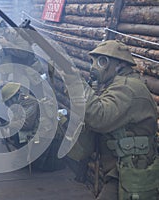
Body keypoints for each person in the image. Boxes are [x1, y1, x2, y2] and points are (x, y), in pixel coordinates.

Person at [65, 40, 159, 199]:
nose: (95, 67)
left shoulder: (127, 87)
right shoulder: (115, 84)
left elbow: (99, 117)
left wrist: (75, 84)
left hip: (132, 173)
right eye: (93, 61)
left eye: (102, 62)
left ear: (120, 65)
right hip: (122, 170)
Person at [0, 82, 65, 171]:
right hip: (38, 130)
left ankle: (26, 159)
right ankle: (25, 157)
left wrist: (10, 125)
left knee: (17, 133)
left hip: (44, 134)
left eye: (9, 101)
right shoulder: (21, 102)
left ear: (14, 97)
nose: (8, 105)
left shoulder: (29, 102)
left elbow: (27, 124)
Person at [0, 19, 47, 98]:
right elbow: (6, 60)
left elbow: (25, 53)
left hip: (31, 69)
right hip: (19, 71)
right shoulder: (5, 41)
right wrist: (3, 78)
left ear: (5, 30)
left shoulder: (17, 34)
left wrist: (7, 44)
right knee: (24, 97)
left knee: (38, 97)